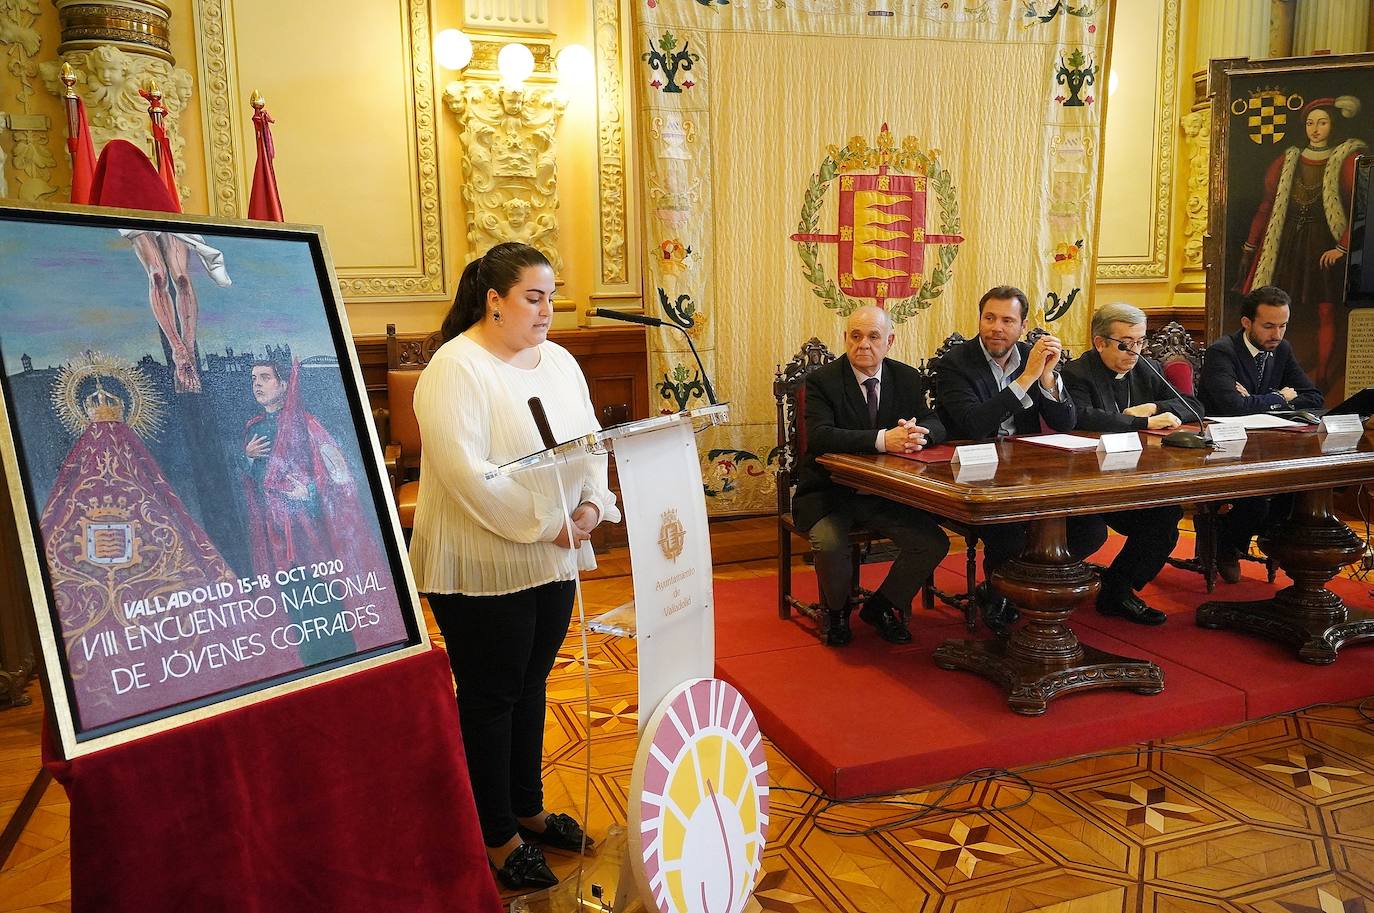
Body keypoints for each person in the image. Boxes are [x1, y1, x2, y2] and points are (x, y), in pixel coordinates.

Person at [409, 242, 619, 892]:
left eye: (552, 296)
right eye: (534, 296)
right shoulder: (454, 368)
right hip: (481, 561)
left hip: (553, 551)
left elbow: (588, 442)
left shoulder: (558, 360)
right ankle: (495, 834)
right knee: (492, 693)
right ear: (494, 299)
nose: (548, 310)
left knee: (532, 684)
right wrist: (548, 522)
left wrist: (591, 503)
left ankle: (527, 807)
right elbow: (468, 477)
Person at [933, 285, 1107, 631]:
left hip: (1027, 467)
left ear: (1022, 326)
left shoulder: (1032, 357)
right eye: (989, 318)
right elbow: (975, 424)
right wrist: (1027, 377)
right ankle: (1001, 595)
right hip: (975, 470)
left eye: (1007, 320)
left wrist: (1047, 379)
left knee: (1091, 530)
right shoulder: (955, 364)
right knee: (1010, 532)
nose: (996, 327)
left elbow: (1065, 422)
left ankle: (1025, 584)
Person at [792, 304, 951, 647]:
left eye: (874, 336)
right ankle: (835, 612)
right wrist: (883, 440)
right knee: (831, 544)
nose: (863, 344)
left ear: (890, 341)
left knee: (932, 542)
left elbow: (936, 422)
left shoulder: (906, 378)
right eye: (856, 335)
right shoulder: (822, 381)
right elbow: (819, 435)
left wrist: (919, 432)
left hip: (886, 494)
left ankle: (881, 606)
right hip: (830, 495)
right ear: (845, 338)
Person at [1062, 303, 1203, 625]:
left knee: (1165, 518)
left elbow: (1193, 405)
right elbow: (1081, 418)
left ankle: (1118, 589)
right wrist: (1140, 424)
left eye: (1140, 341)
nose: (1135, 351)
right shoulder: (1077, 373)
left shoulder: (1145, 368)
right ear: (1100, 342)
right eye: (1126, 343)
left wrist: (1153, 406)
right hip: (1089, 481)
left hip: (1136, 478)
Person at [242, 360, 374, 664]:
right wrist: (246, 458)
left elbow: (336, 472)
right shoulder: (253, 428)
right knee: (295, 603)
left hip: (309, 530)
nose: (257, 384)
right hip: (275, 532)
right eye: (253, 379)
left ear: (284, 384)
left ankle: (341, 659)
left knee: (322, 595)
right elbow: (250, 483)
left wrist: (309, 492)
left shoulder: (307, 424)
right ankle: (311, 664)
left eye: (265, 377)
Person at [1238, 95, 1366, 398]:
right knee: (1282, 315)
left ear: (1332, 125)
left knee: (1325, 311)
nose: (1316, 129)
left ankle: (1321, 374)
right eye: (1310, 123)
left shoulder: (1347, 158)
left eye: (1322, 122)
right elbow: (1268, 205)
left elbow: (1362, 207)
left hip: (1326, 247)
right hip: (1292, 244)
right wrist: (1250, 244)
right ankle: (1278, 371)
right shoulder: (1289, 159)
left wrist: (1343, 248)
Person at [1200, 285, 1323, 582]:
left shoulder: (1282, 349)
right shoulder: (1223, 352)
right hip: (1225, 448)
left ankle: (1273, 543)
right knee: (1256, 497)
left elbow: (1314, 397)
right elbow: (1232, 406)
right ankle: (1228, 546)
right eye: (1269, 326)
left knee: (1293, 489)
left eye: (1283, 326)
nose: (1277, 334)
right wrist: (1280, 397)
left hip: (1269, 444)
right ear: (1247, 323)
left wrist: (1260, 399)